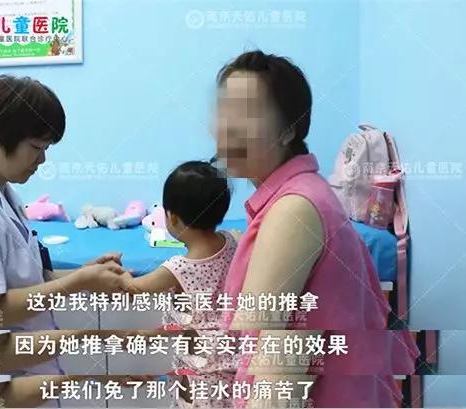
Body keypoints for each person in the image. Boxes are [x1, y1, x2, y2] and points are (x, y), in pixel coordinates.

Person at [0, 75, 132, 407]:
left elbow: (21, 282)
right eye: (36, 148)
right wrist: (79, 285)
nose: (42, 161)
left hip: (12, 380)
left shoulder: (2, 194)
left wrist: (84, 276)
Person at [215, 51, 420, 408]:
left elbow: (277, 374)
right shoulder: (300, 195)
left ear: (288, 130)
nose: (227, 128)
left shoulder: (293, 211)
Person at [123, 161, 238, 408]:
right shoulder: (232, 243)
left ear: (172, 218)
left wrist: (113, 274)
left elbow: (133, 289)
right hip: (231, 372)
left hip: (201, 380)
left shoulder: (179, 268)